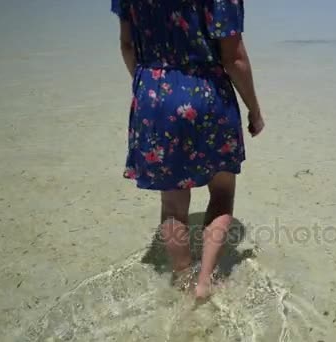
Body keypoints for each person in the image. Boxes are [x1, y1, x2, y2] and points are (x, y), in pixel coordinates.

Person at [111, 0, 264, 300]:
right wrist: (254, 110)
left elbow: (127, 46)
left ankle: (183, 278)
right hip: (209, 97)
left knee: (172, 207)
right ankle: (205, 281)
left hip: (153, 96)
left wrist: (151, 90)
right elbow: (235, 59)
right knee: (221, 193)